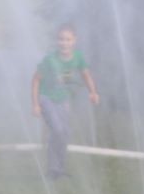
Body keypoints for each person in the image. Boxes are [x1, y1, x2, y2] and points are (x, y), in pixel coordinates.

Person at [31, 23, 100, 180]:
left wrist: (93, 92)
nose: (64, 43)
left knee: (65, 134)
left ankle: (59, 170)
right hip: (46, 98)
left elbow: (86, 74)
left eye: (68, 39)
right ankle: (52, 170)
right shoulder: (50, 60)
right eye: (61, 39)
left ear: (74, 40)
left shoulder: (78, 57)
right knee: (58, 130)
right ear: (57, 41)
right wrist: (35, 104)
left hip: (63, 100)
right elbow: (35, 81)